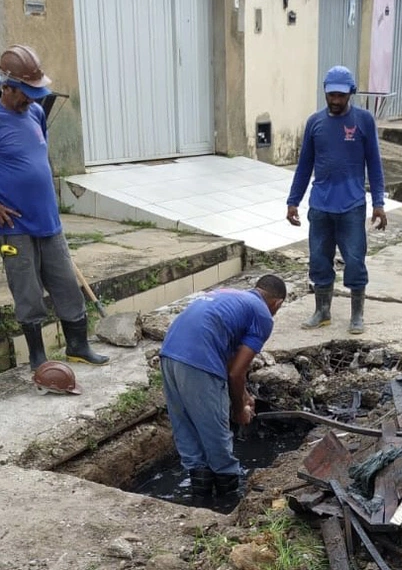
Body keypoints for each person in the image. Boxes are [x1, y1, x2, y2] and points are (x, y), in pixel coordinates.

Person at [0, 44, 108, 371]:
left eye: (34, 92)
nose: (31, 99)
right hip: (13, 226)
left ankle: (78, 346)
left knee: (65, 284)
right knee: (28, 292)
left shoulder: (34, 113)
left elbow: (38, 156)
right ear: (7, 87)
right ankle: (38, 357)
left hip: (48, 221)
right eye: (25, 92)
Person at [158, 275, 287, 499]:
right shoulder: (263, 314)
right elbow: (235, 373)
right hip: (200, 361)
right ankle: (228, 504)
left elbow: (231, 361)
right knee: (216, 435)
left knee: (187, 430)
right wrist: (238, 410)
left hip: (169, 355)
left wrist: (245, 395)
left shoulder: (233, 296)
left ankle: (200, 502)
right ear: (278, 303)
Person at [286, 65, 386, 335]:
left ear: (351, 93)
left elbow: (374, 164)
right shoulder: (314, 123)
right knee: (319, 259)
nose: (336, 100)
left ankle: (356, 315)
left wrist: (379, 202)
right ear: (325, 92)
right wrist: (293, 200)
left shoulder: (364, 121)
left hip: (352, 205)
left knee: (355, 259)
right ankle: (322, 311)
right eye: (332, 95)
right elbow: (304, 164)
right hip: (320, 206)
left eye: (341, 96)